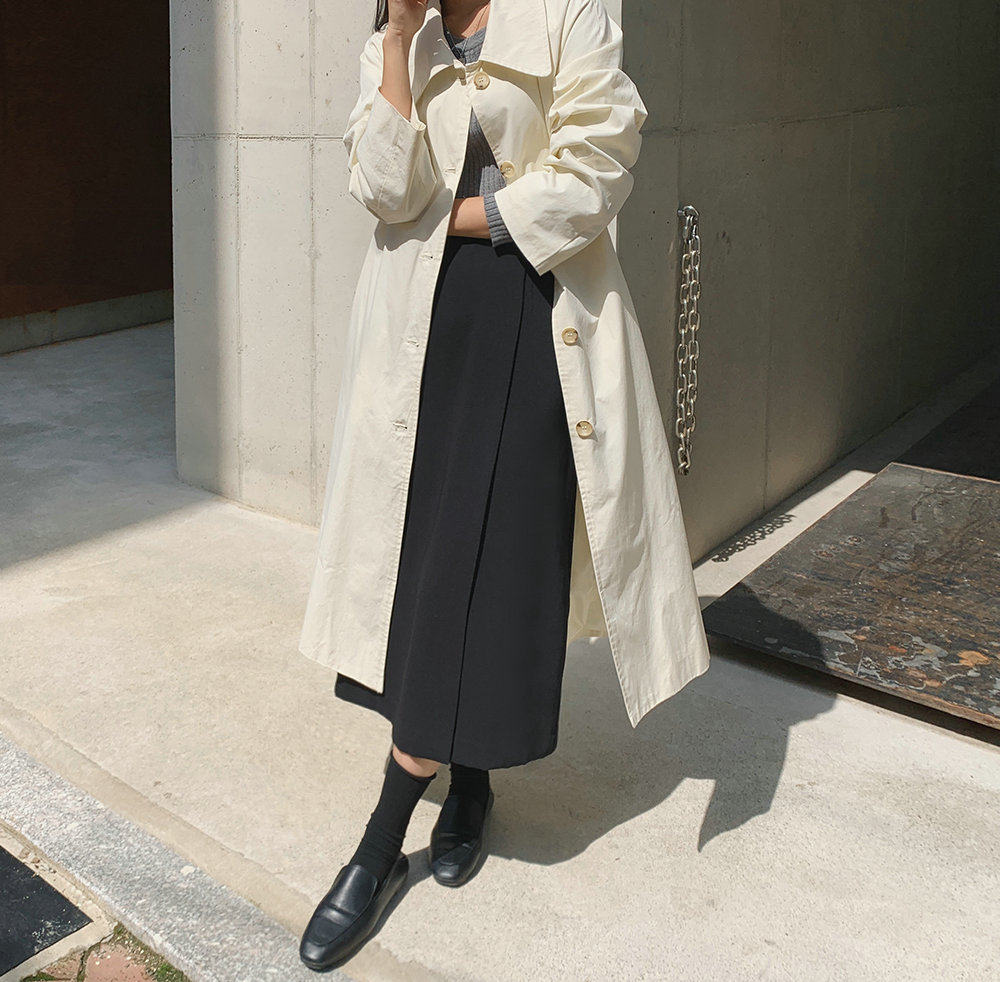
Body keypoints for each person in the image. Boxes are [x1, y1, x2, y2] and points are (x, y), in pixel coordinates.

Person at [297, 0, 712, 970]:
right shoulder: (400, 40)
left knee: (485, 560)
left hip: (534, 318)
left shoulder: (568, 11)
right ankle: (471, 783)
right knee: (430, 564)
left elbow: (596, 166)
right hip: (421, 336)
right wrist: (397, 41)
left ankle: (378, 843)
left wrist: (457, 217)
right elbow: (383, 185)